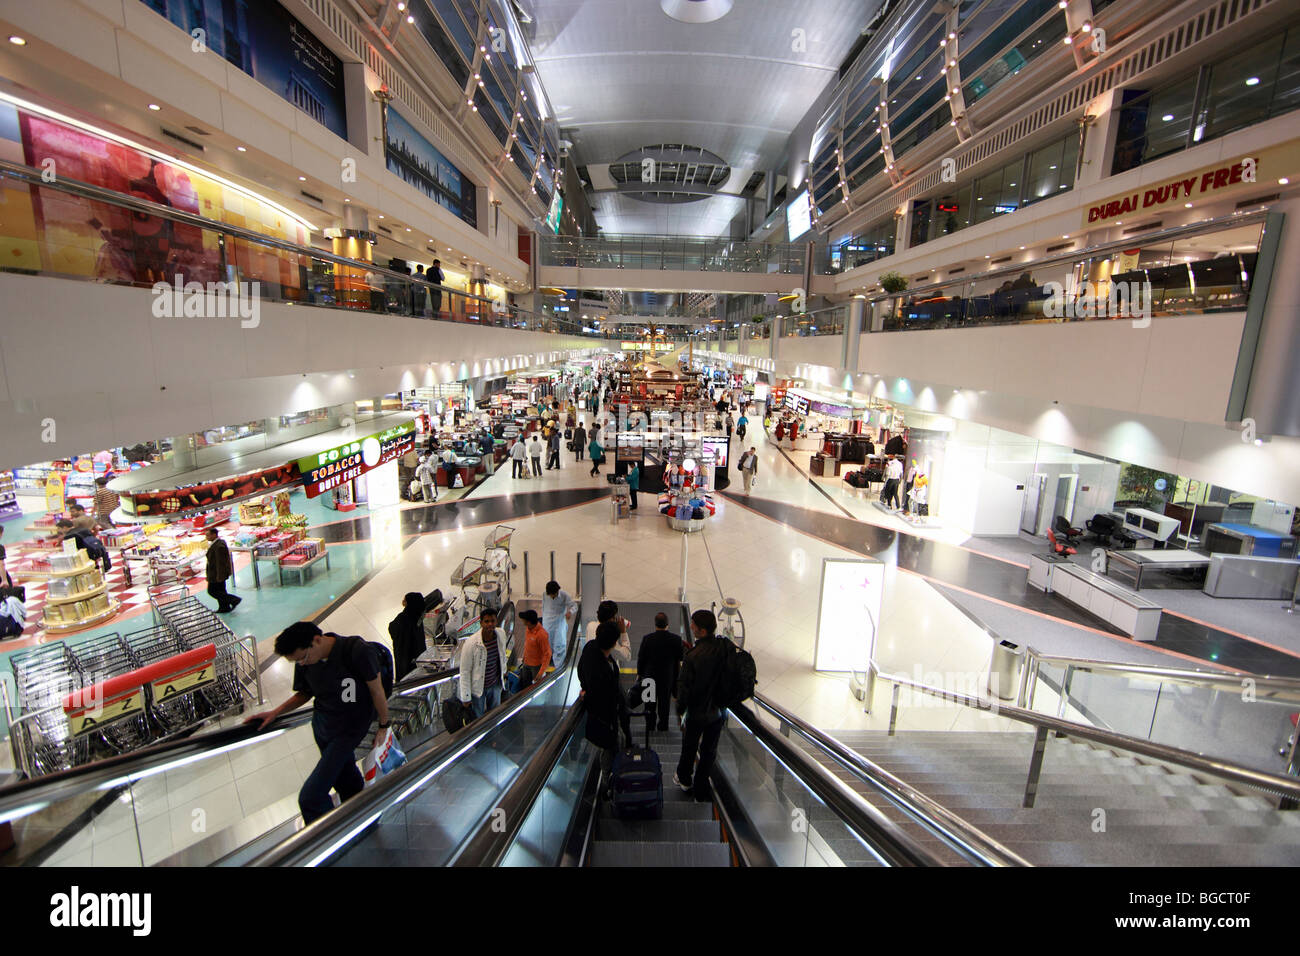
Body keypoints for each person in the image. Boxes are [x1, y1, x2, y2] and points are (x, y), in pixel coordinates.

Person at [247, 622, 391, 825]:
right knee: (346, 779)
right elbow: (305, 693)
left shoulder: (357, 651)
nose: (302, 664)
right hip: (323, 727)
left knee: (311, 797)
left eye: (303, 658)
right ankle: (364, 818)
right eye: (297, 661)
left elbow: (377, 691)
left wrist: (384, 725)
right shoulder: (305, 661)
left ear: (317, 640)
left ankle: (329, 840)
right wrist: (275, 713)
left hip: (349, 729)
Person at [674, 609, 728, 802]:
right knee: (708, 752)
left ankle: (684, 779)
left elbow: (684, 687)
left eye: (693, 625)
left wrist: (680, 709)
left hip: (696, 712)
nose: (691, 627)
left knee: (689, 747)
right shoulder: (723, 649)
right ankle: (701, 789)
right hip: (717, 713)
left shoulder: (693, 656)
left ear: (702, 631)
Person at [579, 620, 632, 800]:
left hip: (599, 715)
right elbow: (605, 697)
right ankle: (607, 787)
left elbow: (580, 670)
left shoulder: (590, 648)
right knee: (611, 749)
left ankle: (609, 780)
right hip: (605, 719)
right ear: (613, 643)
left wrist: (584, 687)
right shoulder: (604, 671)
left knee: (614, 745)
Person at [637, 612, 684, 732]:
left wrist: (640, 673)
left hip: (649, 677)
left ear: (655, 624)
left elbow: (641, 658)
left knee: (649, 704)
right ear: (667, 624)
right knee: (664, 704)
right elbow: (681, 657)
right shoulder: (676, 639)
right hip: (667, 678)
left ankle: (650, 726)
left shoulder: (647, 639)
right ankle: (663, 726)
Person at [457, 607, 508, 718]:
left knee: (495, 716)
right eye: (486, 621)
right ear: (481, 623)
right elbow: (465, 671)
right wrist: (466, 697)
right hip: (478, 689)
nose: (490, 624)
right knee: (477, 720)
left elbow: (502, 655)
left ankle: (494, 735)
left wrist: (504, 671)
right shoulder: (471, 643)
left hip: (495, 685)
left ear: (496, 621)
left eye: (493, 621)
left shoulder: (501, 634)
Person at [388, 591, 427, 680]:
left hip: (405, 654)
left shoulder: (403, 617)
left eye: (405, 600)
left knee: (405, 675)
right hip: (418, 653)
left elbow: (392, 629)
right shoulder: (418, 615)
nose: (403, 602)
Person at [542, 579, 577, 667]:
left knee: (559, 644)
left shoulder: (564, 595)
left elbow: (574, 606)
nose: (552, 597)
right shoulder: (545, 595)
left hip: (559, 622)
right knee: (547, 643)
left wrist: (570, 612)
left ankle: (559, 666)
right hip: (547, 622)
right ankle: (548, 662)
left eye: (554, 594)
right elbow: (544, 607)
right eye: (551, 595)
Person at [204, 527, 239, 613]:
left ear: (214, 535)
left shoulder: (219, 546)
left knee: (212, 591)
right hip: (217, 573)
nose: (206, 537)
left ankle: (233, 599)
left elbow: (220, 563)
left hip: (216, 574)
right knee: (221, 590)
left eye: (208, 535)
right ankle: (224, 607)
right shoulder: (217, 544)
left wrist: (219, 576)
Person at [585, 599, 631, 665]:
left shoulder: (590, 625)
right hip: (606, 671)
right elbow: (627, 656)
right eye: (615, 617)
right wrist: (623, 632)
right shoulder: (609, 639)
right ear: (611, 619)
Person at [517, 608, 551, 687]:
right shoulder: (528, 629)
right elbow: (528, 645)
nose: (523, 621)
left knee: (536, 686)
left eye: (524, 620)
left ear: (528, 622)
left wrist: (541, 672)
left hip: (536, 667)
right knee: (525, 684)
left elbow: (547, 654)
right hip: (526, 663)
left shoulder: (542, 635)